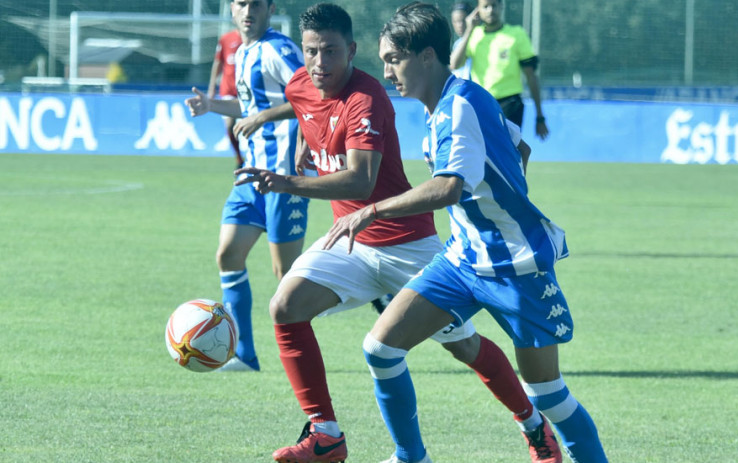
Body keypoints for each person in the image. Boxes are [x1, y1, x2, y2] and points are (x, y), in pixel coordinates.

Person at [234, 3, 559, 462]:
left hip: (407, 244)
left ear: (352, 50)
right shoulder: (302, 84)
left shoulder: (368, 98)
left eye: (330, 51)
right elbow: (306, 105)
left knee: (464, 345)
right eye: (311, 52)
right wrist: (308, 142)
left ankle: (533, 425)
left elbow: (360, 181)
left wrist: (287, 181)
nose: (319, 63)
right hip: (350, 243)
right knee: (285, 307)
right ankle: (326, 435)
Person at [324, 2, 609, 462]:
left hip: (516, 265)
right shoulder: (453, 102)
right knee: (380, 347)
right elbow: (519, 146)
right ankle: (410, 457)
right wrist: (504, 193)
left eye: (393, 59)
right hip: (462, 260)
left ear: (427, 56)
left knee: (548, 395)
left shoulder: (459, 105)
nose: (386, 71)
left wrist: (372, 211)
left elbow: (449, 187)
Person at [184, 0, 308, 372]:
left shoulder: (278, 49)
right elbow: (249, 104)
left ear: (271, 8)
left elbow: (310, 95)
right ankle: (244, 355)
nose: (247, 9)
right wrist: (212, 105)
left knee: (286, 278)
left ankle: (303, 350)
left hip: (282, 177)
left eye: (256, 3)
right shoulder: (242, 51)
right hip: (249, 176)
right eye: (241, 3)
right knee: (228, 254)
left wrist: (294, 138)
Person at [450, 0, 549, 140]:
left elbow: (531, 76)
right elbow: (454, 64)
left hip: (510, 105)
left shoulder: (516, 34)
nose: (490, 10)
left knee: (507, 153)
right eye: (485, 6)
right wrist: (468, 30)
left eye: (494, 5)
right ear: (478, 10)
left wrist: (540, 116)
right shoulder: (473, 36)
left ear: (501, 7)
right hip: (481, 103)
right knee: (483, 153)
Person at [208, 28, 245, 168]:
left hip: (246, 91)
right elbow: (218, 63)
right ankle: (239, 158)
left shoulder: (253, 39)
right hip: (228, 90)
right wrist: (212, 86)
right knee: (229, 126)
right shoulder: (225, 39)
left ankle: (253, 157)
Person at [449, 2, 473, 79]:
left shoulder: (478, 39)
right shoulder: (457, 44)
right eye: (456, 21)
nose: (460, 25)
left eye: (463, 20)